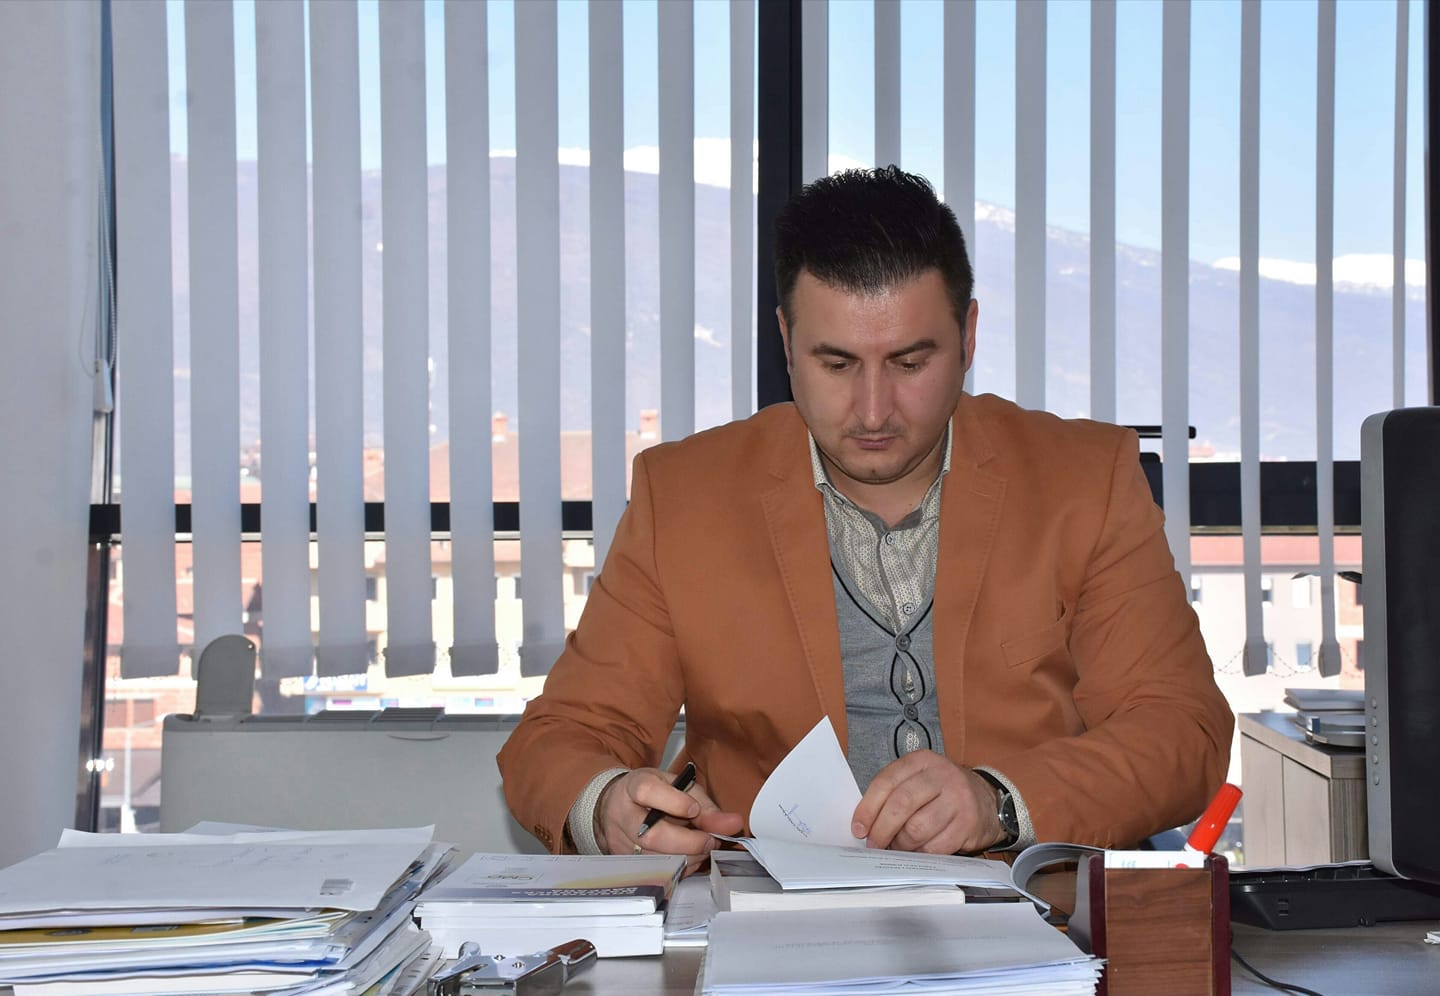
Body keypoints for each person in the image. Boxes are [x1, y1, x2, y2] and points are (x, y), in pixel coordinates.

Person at [498, 166, 1234, 874]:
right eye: (837, 364)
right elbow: (560, 737)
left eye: (910, 363)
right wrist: (606, 805)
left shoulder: (1084, 480)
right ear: (787, 343)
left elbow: (1182, 729)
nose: (874, 411)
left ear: (969, 337)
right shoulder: (684, 498)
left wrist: (1002, 803)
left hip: (1041, 918)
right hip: (773, 925)